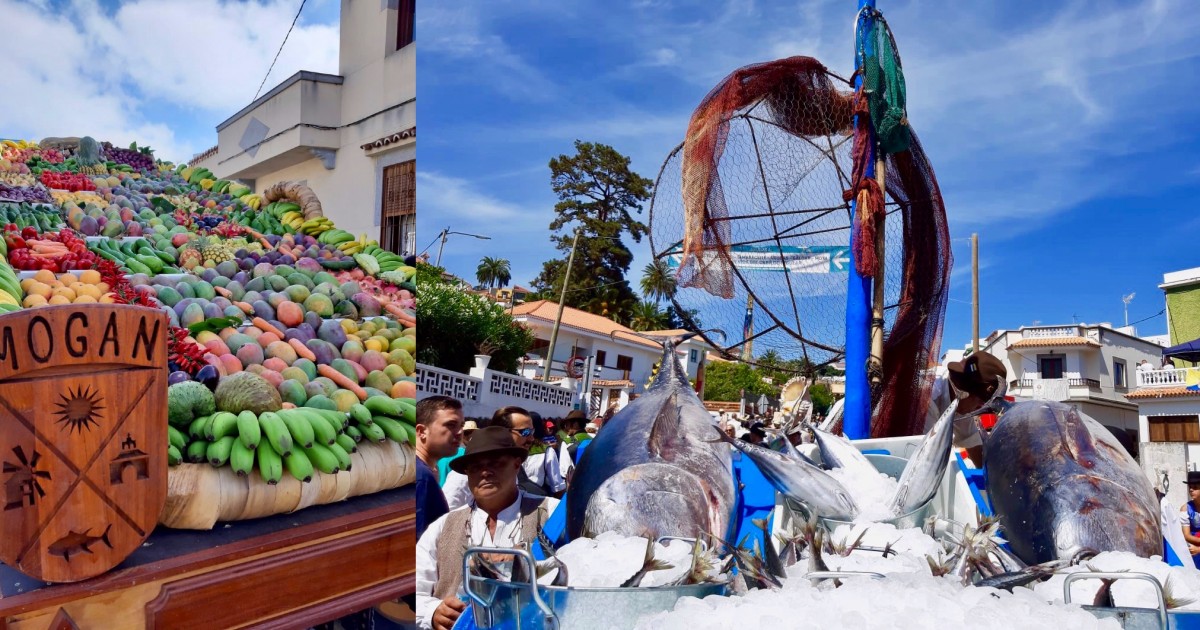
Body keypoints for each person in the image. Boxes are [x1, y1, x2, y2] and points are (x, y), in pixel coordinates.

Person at [414, 426, 559, 630]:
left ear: (517, 464)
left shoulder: (551, 514)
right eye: (475, 467)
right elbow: (415, 588)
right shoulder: (443, 527)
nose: (485, 472)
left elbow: (580, 577)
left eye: (495, 463)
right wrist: (433, 612)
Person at [941, 352, 1008, 465]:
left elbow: (976, 449)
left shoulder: (962, 407)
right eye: (982, 403)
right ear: (965, 392)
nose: (980, 408)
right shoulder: (927, 400)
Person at [415, 396, 463, 538]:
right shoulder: (421, 476)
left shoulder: (425, 472)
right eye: (451, 425)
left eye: (461, 425)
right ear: (422, 431)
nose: (460, 432)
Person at [437, 420, 477, 484]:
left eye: (472, 433)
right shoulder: (465, 455)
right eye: (466, 433)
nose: (470, 436)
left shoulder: (442, 453)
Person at [1180, 471, 1200, 569]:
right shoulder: (1185, 508)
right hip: (1193, 550)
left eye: (1195, 487)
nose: (1191, 490)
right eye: (1190, 487)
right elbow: (1186, 535)